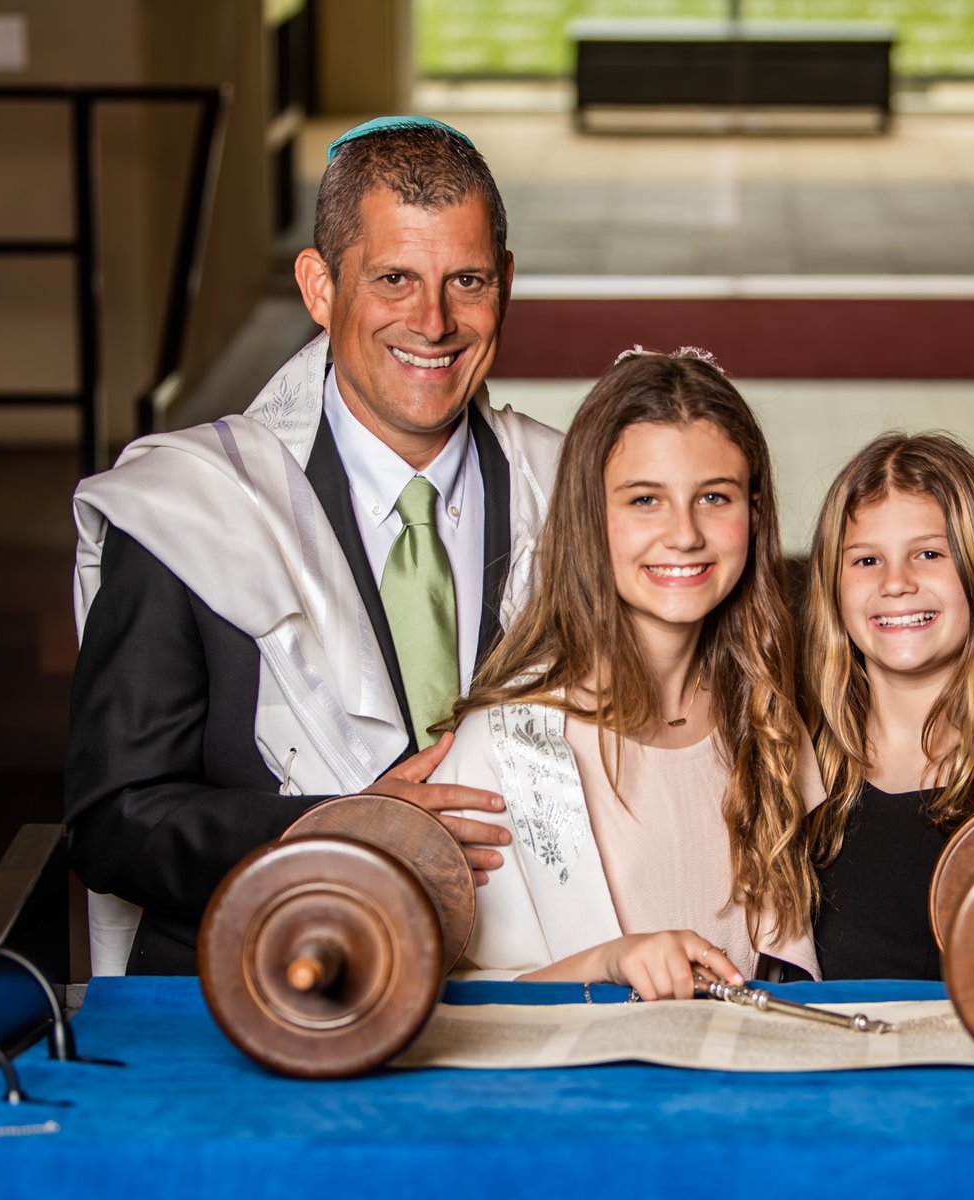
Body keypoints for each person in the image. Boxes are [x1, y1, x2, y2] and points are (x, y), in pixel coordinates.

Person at [66, 117, 563, 976]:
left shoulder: (576, 493)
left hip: (544, 982)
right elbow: (116, 820)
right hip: (267, 990)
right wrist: (341, 832)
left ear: (505, 285)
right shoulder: (187, 509)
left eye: (467, 281)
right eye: (394, 278)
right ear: (320, 287)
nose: (433, 321)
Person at [434, 348, 820, 998]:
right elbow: (451, 1004)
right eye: (645, 500)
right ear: (590, 516)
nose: (684, 534)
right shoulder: (502, 748)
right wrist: (607, 963)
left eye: (714, 497)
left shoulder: (770, 721)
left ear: (754, 513)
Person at [801, 434, 974, 980]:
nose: (896, 583)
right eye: (866, 559)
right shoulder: (790, 777)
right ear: (833, 587)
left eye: (929, 554)